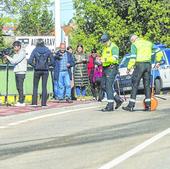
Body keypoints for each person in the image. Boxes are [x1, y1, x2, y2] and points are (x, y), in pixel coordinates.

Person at [122, 34, 163, 111]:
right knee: (147, 85)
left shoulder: (134, 45)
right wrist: (158, 61)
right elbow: (159, 51)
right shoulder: (148, 43)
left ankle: (131, 105)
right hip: (148, 65)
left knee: (135, 84)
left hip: (139, 65)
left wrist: (129, 68)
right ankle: (148, 106)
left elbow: (133, 57)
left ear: (132, 39)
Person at [100, 33, 124, 111]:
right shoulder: (105, 47)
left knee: (108, 86)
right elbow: (104, 57)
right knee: (103, 86)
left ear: (108, 40)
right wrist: (100, 60)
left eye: (104, 41)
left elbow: (115, 58)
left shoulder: (114, 47)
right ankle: (117, 99)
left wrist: (105, 60)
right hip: (105, 67)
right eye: (102, 42)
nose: (103, 43)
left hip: (111, 68)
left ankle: (110, 105)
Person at [28, 39, 53, 107]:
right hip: (45, 70)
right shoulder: (48, 50)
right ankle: (44, 103)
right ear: (43, 43)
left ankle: (34, 103)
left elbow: (30, 61)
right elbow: (52, 61)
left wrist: (35, 66)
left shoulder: (35, 50)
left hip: (37, 70)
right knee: (44, 86)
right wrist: (47, 65)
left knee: (35, 87)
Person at [4, 41, 27, 106]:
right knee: (18, 87)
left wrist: (8, 57)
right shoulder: (15, 54)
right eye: (14, 47)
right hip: (17, 71)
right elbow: (12, 62)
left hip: (21, 72)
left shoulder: (22, 53)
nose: (14, 48)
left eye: (15, 47)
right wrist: (7, 58)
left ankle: (21, 101)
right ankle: (20, 100)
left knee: (20, 87)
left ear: (19, 47)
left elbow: (15, 61)